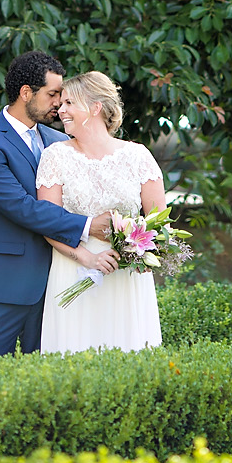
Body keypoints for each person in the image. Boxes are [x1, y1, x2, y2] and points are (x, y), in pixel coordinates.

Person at [0, 50, 118, 361]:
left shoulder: (58, 141)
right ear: (25, 93)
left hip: (59, 279)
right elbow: (20, 207)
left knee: (49, 379)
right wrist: (87, 225)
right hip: (4, 284)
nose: (59, 102)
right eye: (52, 94)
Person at [36, 70, 165, 354]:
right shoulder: (55, 156)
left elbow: (159, 223)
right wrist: (88, 257)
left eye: (70, 103)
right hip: (73, 268)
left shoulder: (138, 156)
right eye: (61, 103)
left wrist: (131, 250)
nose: (61, 109)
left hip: (124, 276)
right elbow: (47, 222)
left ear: (95, 107)